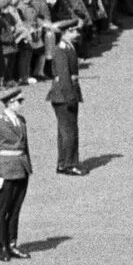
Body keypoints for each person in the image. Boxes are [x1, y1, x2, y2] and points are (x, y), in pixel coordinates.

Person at [0, 85, 34, 259]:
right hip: (6, 170)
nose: (21, 104)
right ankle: (2, 247)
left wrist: (28, 166)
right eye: (19, 101)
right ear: (10, 102)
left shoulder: (21, 120)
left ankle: (12, 243)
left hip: (21, 168)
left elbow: (25, 146)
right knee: (2, 212)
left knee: (15, 210)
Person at [46, 24, 85, 175]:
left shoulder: (68, 47)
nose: (76, 33)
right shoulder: (61, 50)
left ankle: (63, 163)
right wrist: (70, 97)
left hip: (65, 93)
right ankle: (69, 164)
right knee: (69, 131)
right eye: (74, 31)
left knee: (65, 130)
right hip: (64, 95)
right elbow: (64, 76)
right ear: (66, 32)